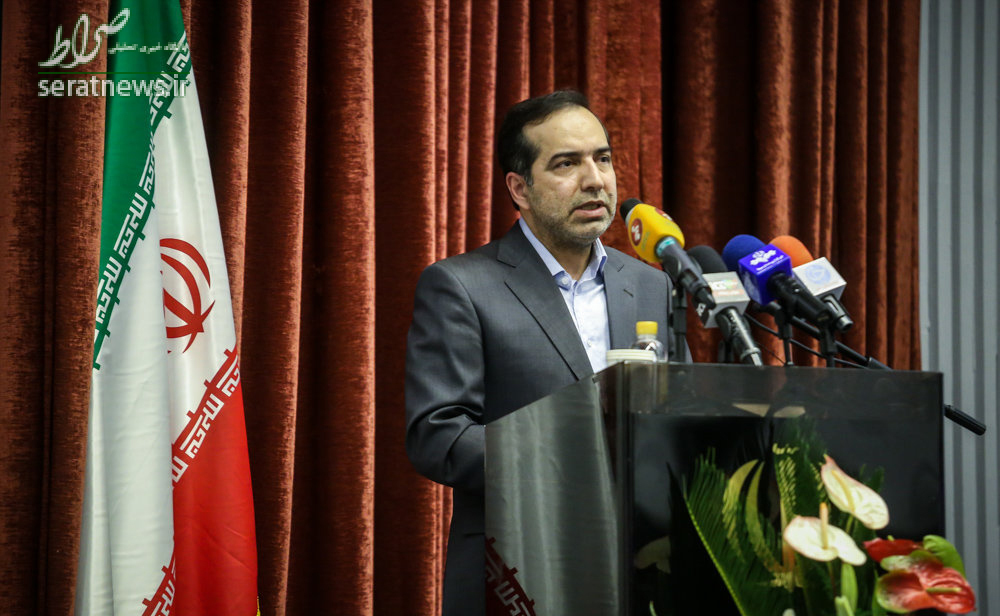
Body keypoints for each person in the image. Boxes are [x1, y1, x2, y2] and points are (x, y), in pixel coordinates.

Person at [405, 90, 680, 615]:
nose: (595, 179)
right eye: (566, 164)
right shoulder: (462, 286)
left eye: (602, 158)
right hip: (516, 573)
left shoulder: (651, 284)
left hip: (639, 571)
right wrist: (572, 456)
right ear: (520, 188)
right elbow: (438, 435)